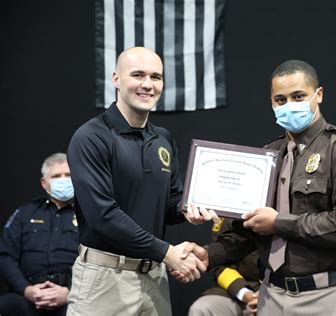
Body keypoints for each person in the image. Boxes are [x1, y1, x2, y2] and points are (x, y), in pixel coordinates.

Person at [179, 60, 336, 315]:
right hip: (272, 296)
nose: (289, 106)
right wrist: (210, 255)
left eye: (298, 96)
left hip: (330, 296)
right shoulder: (266, 157)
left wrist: (279, 223)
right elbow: (247, 231)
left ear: (318, 95)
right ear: (272, 103)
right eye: (281, 100)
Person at [66, 47, 215, 316]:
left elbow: (170, 201)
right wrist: (167, 252)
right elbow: (103, 216)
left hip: (154, 277)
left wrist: (186, 208)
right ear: (116, 79)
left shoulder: (163, 139)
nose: (147, 84)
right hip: (105, 279)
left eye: (156, 77)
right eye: (138, 75)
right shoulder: (91, 137)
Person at [0, 153, 78, 316]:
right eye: (57, 176)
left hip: (72, 296)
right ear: (44, 183)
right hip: (27, 295)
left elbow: (97, 260)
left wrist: (70, 292)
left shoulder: (88, 215)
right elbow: (5, 256)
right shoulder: (24, 213)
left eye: (68, 175)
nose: (63, 180)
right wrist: (26, 289)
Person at [188, 218, 260, 316]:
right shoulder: (231, 212)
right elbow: (218, 264)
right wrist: (245, 294)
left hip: (279, 289)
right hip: (240, 286)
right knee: (203, 309)